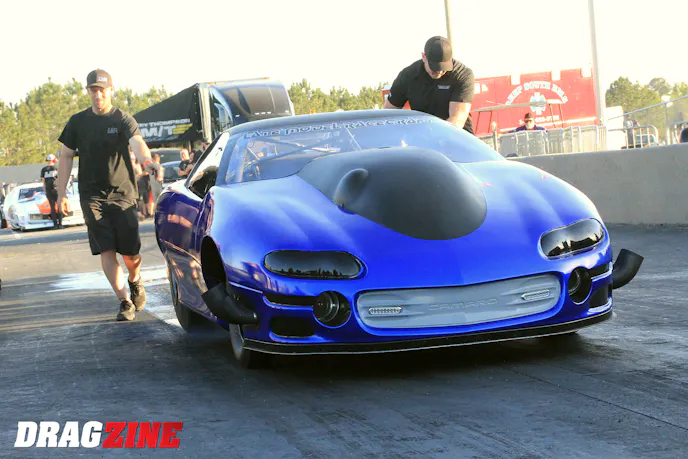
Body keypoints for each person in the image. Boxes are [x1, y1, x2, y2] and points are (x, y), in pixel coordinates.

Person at [55, 69, 161, 322]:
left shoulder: (123, 119)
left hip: (123, 194)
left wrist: (147, 162)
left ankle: (135, 279)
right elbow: (66, 156)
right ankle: (124, 301)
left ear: (111, 90)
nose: (98, 94)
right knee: (106, 249)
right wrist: (61, 193)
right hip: (92, 196)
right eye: (93, 90)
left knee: (131, 254)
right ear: (88, 92)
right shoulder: (77, 122)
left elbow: (137, 143)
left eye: (102, 90)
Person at [384, 36, 476, 134]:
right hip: (424, 135)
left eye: (444, 67)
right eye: (435, 67)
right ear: (424, 57)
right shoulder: (408, 76)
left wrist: (436, 138)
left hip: (458, 136)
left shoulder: (462, 75)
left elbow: (456, 121)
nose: (440, 72)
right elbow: (388, 114)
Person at [40, 154, 62, 229]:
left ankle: (55, 225)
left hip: (48, 190)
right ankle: (60, 224)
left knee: (52, 207)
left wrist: (45, 191)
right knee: (59, 206)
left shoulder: (43, 169)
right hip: (57, 189)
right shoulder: (57, 168)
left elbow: (43, 182)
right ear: (54, 160)